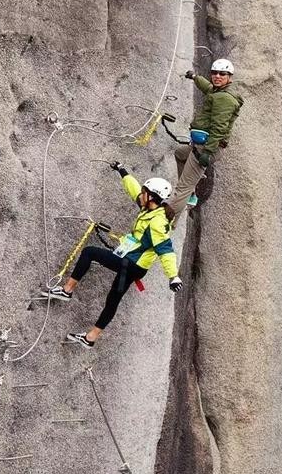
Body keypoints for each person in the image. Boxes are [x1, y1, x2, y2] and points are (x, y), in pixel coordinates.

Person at [40, 164, 183, 349]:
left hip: (132, 264)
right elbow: (134, 191)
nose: (142, 194)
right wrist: (122, 171)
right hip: (135, 265)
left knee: (90, 252)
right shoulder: (150, 209)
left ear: (152, 197)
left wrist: (173, 276)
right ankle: (90, 338)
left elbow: (165, 250)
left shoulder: (156, 222)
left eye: (145, 192)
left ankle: (66, 291)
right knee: (113, 299)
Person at [166, 58, 243, 220]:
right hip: (202, 145)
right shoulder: (217, 92)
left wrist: (207, 152)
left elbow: (219, 128)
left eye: (223, 74)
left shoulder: (224, 99)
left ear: (230, 77)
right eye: (214, 73)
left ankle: (166, 224)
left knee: (182, 189)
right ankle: (192, 193)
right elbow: (207, 87)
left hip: (207, 147)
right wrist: (194, 77)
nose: (217, 76)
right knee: (180, 154)